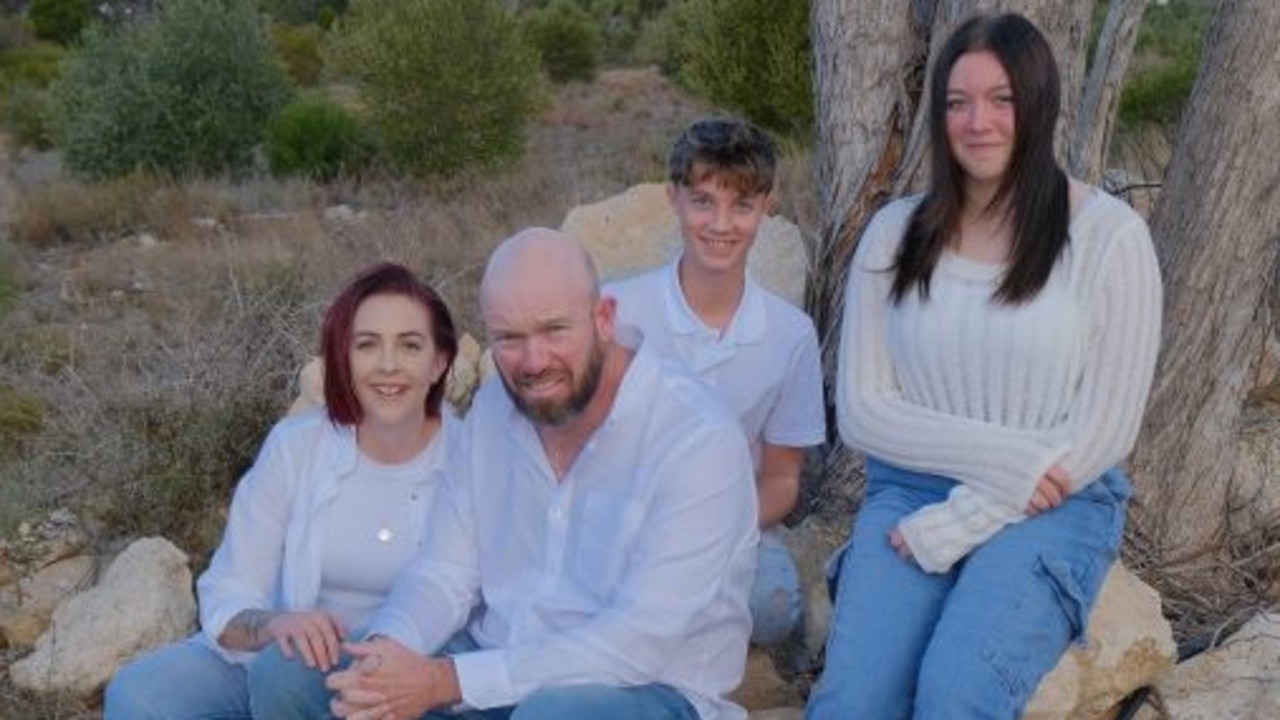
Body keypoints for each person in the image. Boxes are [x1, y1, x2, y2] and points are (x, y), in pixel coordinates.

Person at [806, 12, 1162, 720]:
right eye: (958, 102)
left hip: (1057, 501)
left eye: (1002, 99)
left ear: (1038, 105)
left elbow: (1106, 428)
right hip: (913, 491)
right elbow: (867, 411)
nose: (978, 122)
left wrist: (967, 517)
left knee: (955, 697)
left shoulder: (1108, 239)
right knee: (852, 704)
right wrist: (1006, 465)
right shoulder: (895, 233)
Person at [325, 227, 759, 720]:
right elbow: (447, 570)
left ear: (604, 318)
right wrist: (388, 653)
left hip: (641, 690)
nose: (533, 362)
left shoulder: (696, 440)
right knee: (304, 674)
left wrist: (440, 682)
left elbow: (637, 642)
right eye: (509, 338)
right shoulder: (493, 410)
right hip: (495, 663)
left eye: (554, 330)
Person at [104, 262, 460, 720]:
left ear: (440, 361)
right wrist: (275, 624)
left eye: (409, 345)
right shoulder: (296, 446)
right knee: (142, 696)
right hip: (280, 658)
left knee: (288, 676)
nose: (388, 365)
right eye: (367, 345)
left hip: (409, 674)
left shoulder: (472, 462)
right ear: (343, 359)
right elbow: (230, 585)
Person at [605, 118, 825, 646]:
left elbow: (780, 480)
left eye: (741, 206)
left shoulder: (790, 335)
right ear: (673, 199)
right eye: (702, 201)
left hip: (731, 525)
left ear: (765, 207)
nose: (720, 224)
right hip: (621, 520)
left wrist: (705, 526)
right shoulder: (618, 311)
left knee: (774, 605)